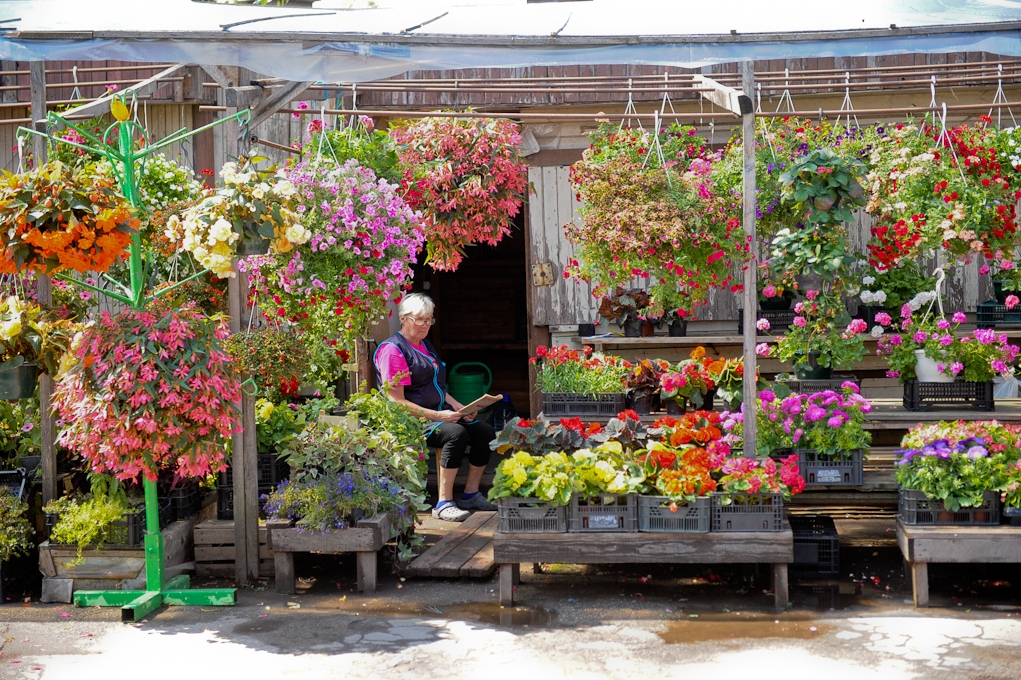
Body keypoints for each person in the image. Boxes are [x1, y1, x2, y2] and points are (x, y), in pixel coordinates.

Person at [374, 293, 497, 522]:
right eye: (419, 319)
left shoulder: (425, 345)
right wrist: (440, 415)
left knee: (485, 432)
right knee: (455, 434)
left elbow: (438, 388)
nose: (425, 325)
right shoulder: (393, 350)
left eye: (429, 320)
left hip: (440, 414)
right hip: (412, 420)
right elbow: (395, 402)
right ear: (403, 318)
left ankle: (470, 494)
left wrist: (462, 408)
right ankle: (443, 502)